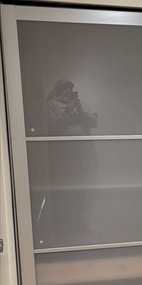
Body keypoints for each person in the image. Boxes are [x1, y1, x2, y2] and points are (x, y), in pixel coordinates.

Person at [45, 79, 98, 237]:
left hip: (83, 156)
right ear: (57, 91)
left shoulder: (81, 103)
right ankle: (64, 227)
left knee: (82, 190)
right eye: (64, 89)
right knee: (64, 192)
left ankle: (81, 224)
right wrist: (66, 112)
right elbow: (52, 128)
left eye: (70, 88)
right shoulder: (53, 105)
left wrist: (80, 110)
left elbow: (94, 122)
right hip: (63, 158)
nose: (67, 91)